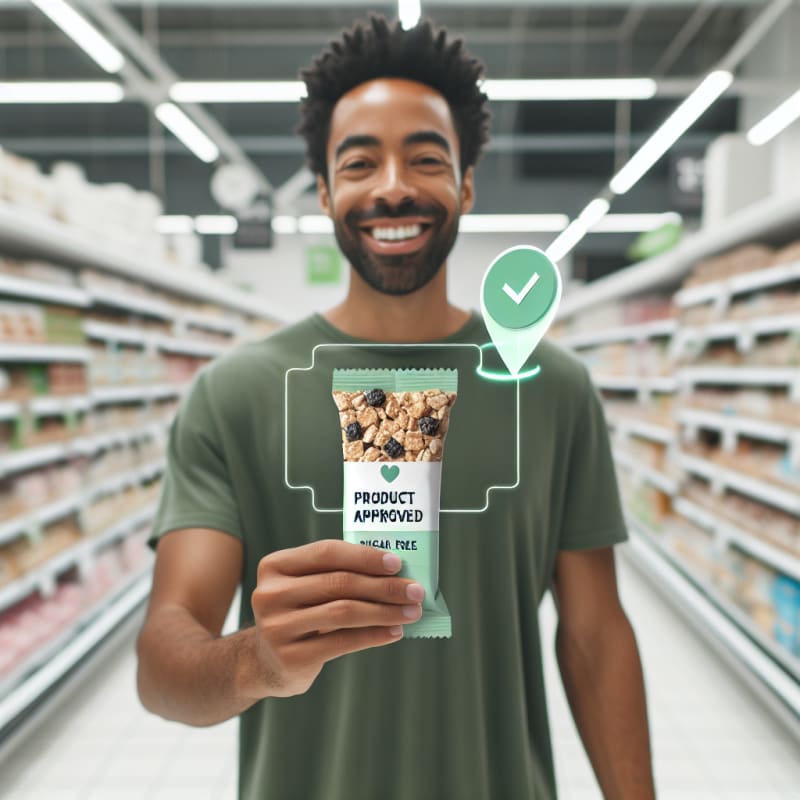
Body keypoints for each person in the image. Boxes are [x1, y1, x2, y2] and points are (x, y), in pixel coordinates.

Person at [136, 14, 656, 800]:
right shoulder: (236, 394)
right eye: (359, 162)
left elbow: (594, 635)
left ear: (466, 184)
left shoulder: (551, 388)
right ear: (324, 191)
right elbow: (163, 662)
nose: (392, 186)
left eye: (425, 157)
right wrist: (259, 659)